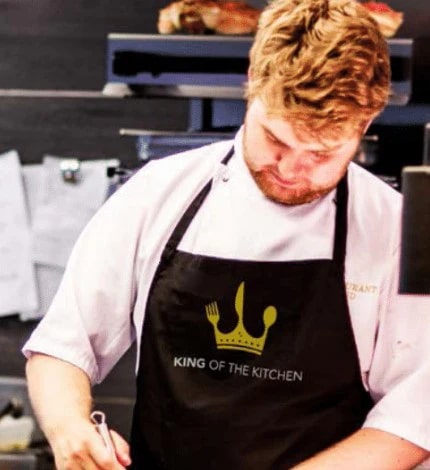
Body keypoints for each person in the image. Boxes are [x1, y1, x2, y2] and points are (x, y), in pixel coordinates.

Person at [22, 0, 430, 468]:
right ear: (251, 83)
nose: (291, 169)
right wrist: (69, 427)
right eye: (275, 140)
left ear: (367, 121)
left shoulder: (394, 229)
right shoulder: (158, 193)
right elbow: (62, 346)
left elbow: (414, 415)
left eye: (321, 154)